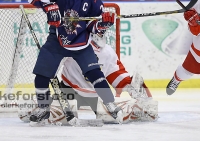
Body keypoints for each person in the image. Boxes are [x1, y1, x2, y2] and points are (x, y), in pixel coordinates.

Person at [27, 0, 123, 126]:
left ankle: (110, 104)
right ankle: (43, 107)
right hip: (56, 40)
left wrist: (103, 24)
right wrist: (49, 6)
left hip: (81, 42)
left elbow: (94, 28)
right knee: (42, 75)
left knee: (95, 73)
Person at [18, 33, 158, 124]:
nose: (101, 32)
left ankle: (138, 109)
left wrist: (128, 86)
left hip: (94, 95)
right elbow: (53, 62)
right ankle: (38, 106)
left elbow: (115, 74)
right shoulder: (73, 45)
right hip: (69, 90)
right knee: (58, 117)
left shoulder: (107, 52)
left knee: (110, 117)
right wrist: (50, 66)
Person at [166, 0, 200, 95]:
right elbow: (195, 32)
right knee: (186, 72)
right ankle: (176, 79)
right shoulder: (197, 2)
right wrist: (193, 23)